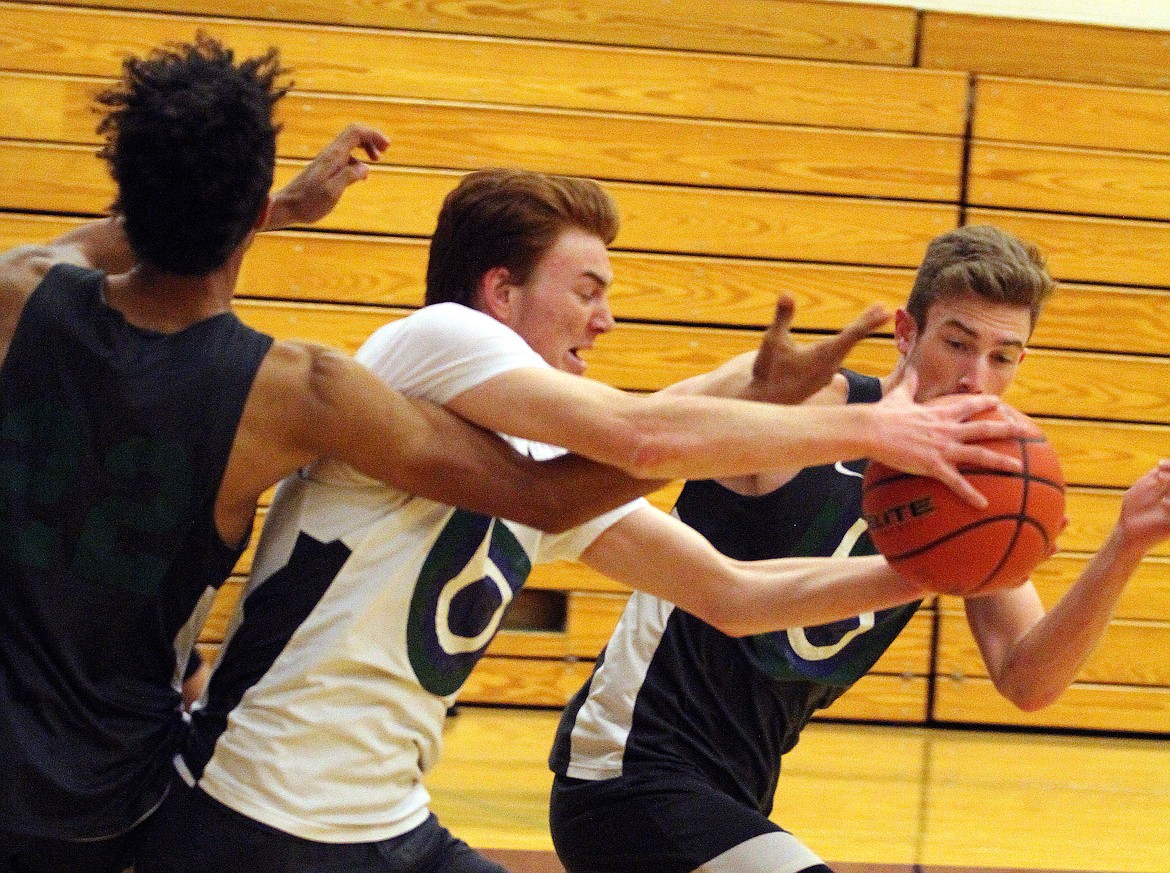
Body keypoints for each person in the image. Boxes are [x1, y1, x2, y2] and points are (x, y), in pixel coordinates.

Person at [135, 170, 1037, 873]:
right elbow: (642, 433)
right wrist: (871, 421)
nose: (605, 320)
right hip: (252, 809)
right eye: (586, 289)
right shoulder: (436, 339)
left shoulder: (544, 482)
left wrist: (927, 571)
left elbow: (733, 594)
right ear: (499, 290)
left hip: (382, 822)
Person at [0, 38, 683, 873]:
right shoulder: (282, 389)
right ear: (250, 213)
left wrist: (272, 205)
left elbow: (83, 249)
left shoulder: (20, 296)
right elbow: (536, 495)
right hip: (103, 794)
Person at [547, 224, 1170, 873]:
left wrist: (1126, 544)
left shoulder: (980, 484)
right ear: (906, 331)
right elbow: (629, 438)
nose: (974, 379)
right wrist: (750, 400)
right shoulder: (806, 400)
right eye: (958, 344)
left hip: (737, 789)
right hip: (628, 766)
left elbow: (1028, 678)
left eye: (1003, 356)